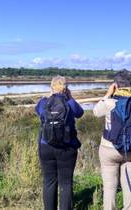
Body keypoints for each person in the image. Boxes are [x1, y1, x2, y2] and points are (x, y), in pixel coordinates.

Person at [93, 70, 131, 210]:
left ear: (115, 85)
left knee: (109, 186)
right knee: (129, 182)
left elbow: (96, 112)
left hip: (109, 148)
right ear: (130, 85)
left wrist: (108, 94)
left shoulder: (110, 102)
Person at [35, 75, 84, 210]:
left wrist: (50, 96)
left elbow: (37, 111)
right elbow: (80, 113)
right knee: (66, 183)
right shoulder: (69, 103)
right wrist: (69, 97)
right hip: (67, 148)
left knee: (49, 181)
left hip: (46, 146)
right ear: (66, 89)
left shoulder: (44, 102)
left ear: (51, 87)